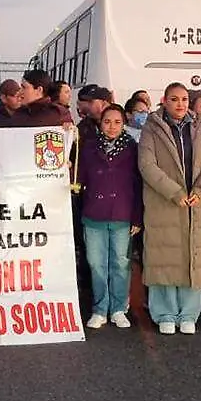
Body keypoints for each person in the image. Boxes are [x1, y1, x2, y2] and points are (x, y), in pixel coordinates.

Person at [138, 82, 201, 335]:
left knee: (192, 258)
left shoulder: (200, 126)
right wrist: (174, 192)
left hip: (196, 203)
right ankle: (164, 313)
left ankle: (188, 314)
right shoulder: (151, 129)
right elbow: (147, 165)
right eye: (174, 99)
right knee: (164, 258)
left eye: (185, 99)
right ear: (164, 101)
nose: (181, 104)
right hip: (164, 202)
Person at [76, 105, 142, 329]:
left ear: (124, 124)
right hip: (94, 212)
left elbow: (138, 184)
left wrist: (137, 217)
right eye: (107, 122)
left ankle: (118, 307)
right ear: (100, 123)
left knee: (120, 263)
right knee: (96, 263)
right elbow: (79, 176)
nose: (112, 127)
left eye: (117, 122)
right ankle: (99, 308)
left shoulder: (133, 148)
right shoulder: (89, 147)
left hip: (122, 213)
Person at [0, 69, 72, 128]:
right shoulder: (19, 113)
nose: (19, 92)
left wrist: (73, 134)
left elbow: (73, 146)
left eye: (24, 87)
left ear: (39, 90)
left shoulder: (59, 115)